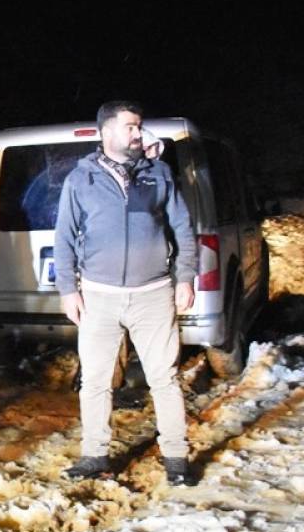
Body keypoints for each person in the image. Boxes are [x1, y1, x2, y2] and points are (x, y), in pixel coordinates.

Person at [54, 101, 198, 485]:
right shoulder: (79, 180)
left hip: (153, 294)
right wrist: (68, 289)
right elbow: (64, 237)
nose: (138, 133)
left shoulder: (159, 174)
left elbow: (183, 229)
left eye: (139, 127)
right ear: (107, 132)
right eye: (131, 127)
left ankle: (177, 460)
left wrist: (185, 278)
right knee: (96, 381)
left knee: (164, 379)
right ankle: (94, 456)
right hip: (99, 297)